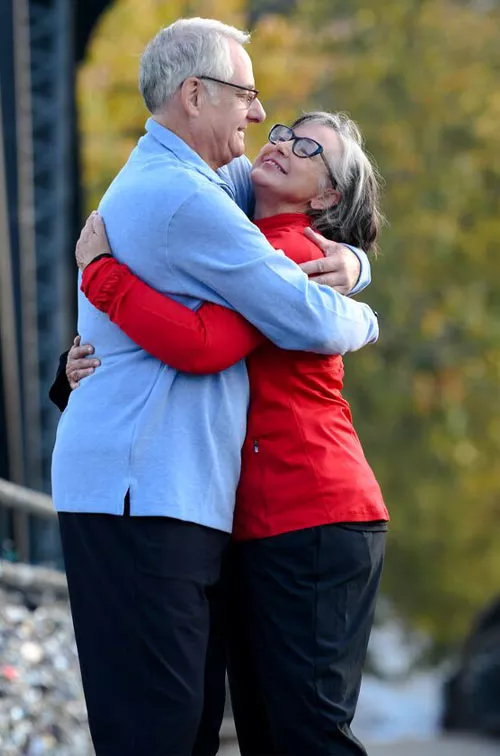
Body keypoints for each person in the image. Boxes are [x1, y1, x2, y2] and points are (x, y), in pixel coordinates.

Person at [50, 18, 379, 756]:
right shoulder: (193, 196)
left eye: (300, 142)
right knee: (167, 729)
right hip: (151, 494)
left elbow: (271, 304)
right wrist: (363, 315)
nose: (265, 124)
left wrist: (355, 270)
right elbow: (259, 328)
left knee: (212, 725)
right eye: (249, 98)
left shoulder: (213, 183)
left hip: (237, 502)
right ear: (194, 96)